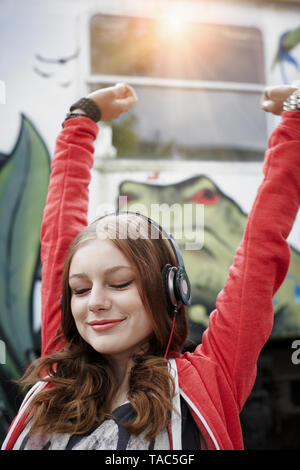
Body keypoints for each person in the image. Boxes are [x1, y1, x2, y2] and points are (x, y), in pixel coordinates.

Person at [2, 82, 300, 450]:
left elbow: (263, 245)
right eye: (79, 289)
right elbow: (58, 233)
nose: (93, 302)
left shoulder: (207, 382)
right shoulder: (59, 376)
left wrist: (295, 115)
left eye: (119, 283)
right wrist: (81, 118)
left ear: (170, 289)